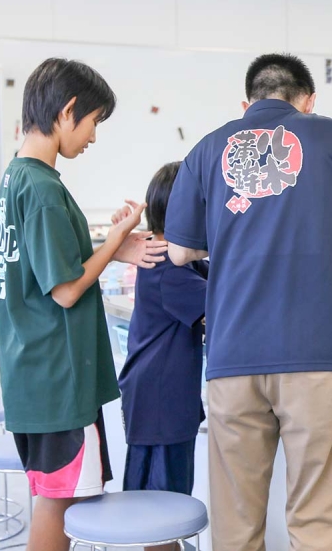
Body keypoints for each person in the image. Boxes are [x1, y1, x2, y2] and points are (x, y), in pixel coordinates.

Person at [164, 53, 332, 551]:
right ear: (309, 101)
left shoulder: (206, 149)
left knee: (236, 522)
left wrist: (233, 236)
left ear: (246, 104)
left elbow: (180, 252)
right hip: (315, 356)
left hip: (233, 358)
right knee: (315, 521)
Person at [0, 58, 166, 551]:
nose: (92, 137)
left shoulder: (18, 177)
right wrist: (113, 242)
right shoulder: (44, 188)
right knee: (62, 502)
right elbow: (66, 290)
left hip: (34, 373)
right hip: (57, 380)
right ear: (68, 111)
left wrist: (115, 248)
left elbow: (47, 262)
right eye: (93, 121)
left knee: (60, 497)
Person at [117, 162, 208, 551]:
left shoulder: (173, 257)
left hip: (157, 396)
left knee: (160, 499)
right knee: (162, 506)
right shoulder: (168, 266)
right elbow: (226, 304)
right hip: (161, 401)